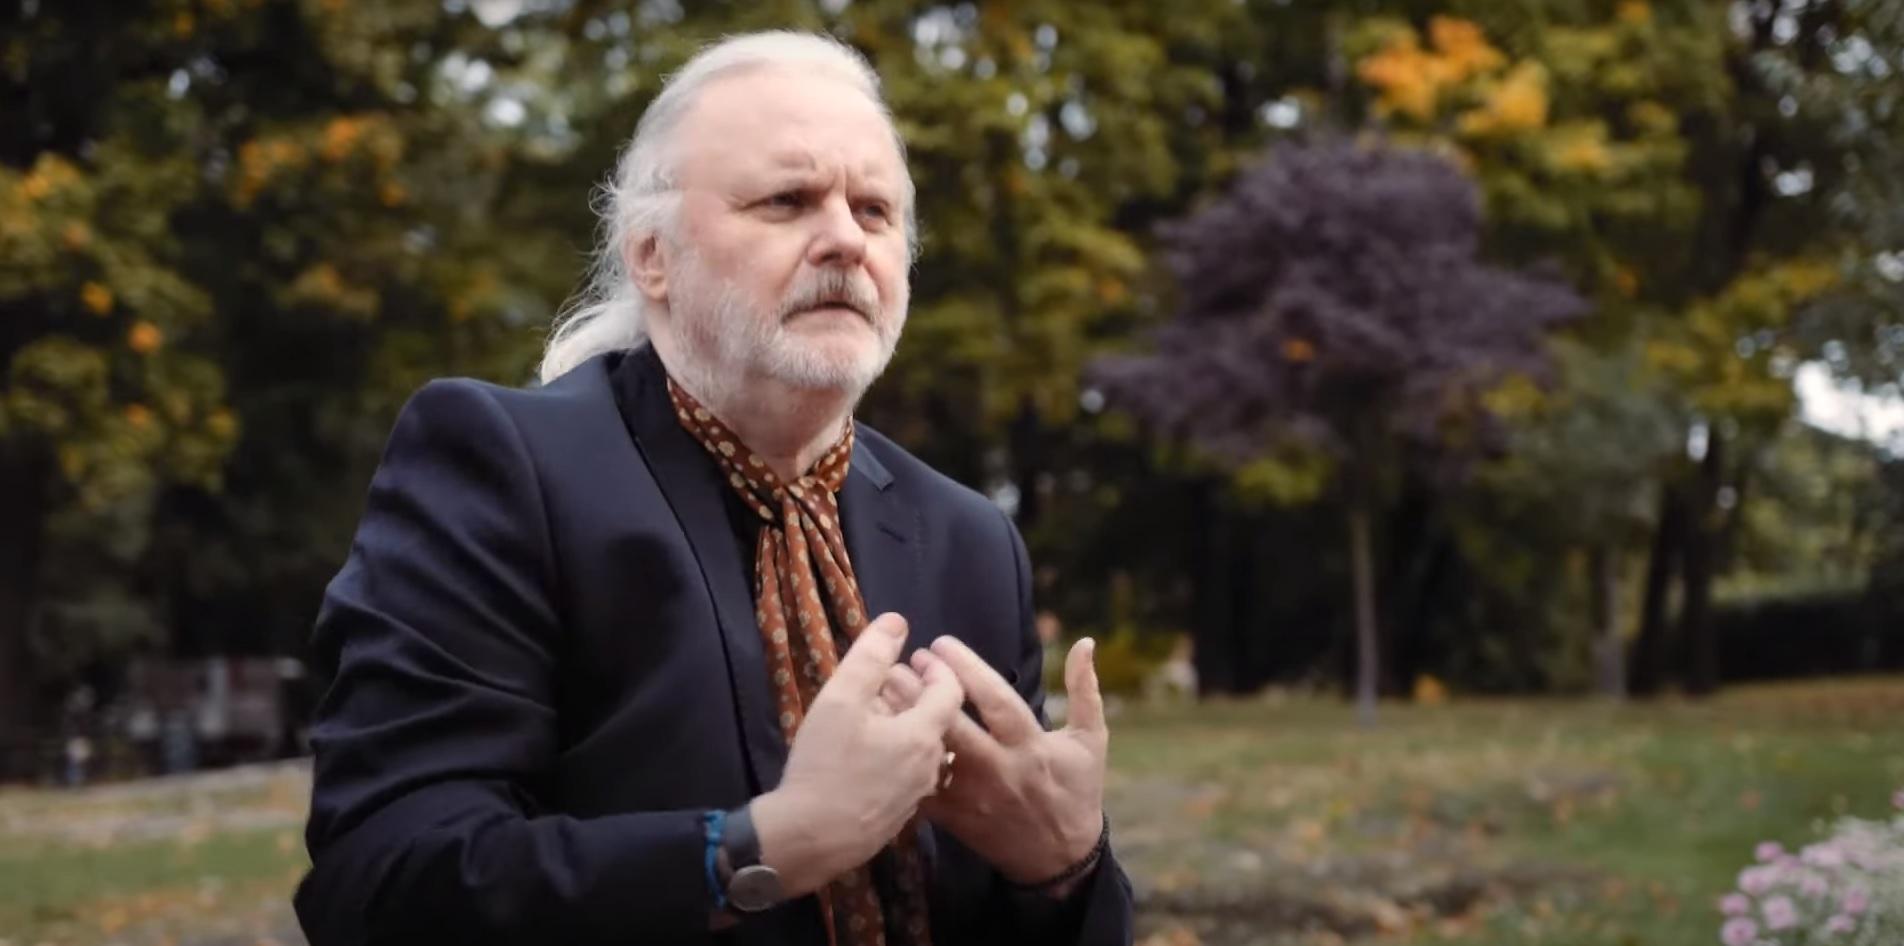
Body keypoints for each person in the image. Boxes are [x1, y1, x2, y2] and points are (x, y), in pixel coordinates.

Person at [293, 30, 1132, 946]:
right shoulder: (503, 466)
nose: (846, 240)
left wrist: (1064, 870)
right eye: (787, 200)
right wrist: (763, 849)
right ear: (651, 254)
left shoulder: (970, 539)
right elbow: (379, 883)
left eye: (876, 211)